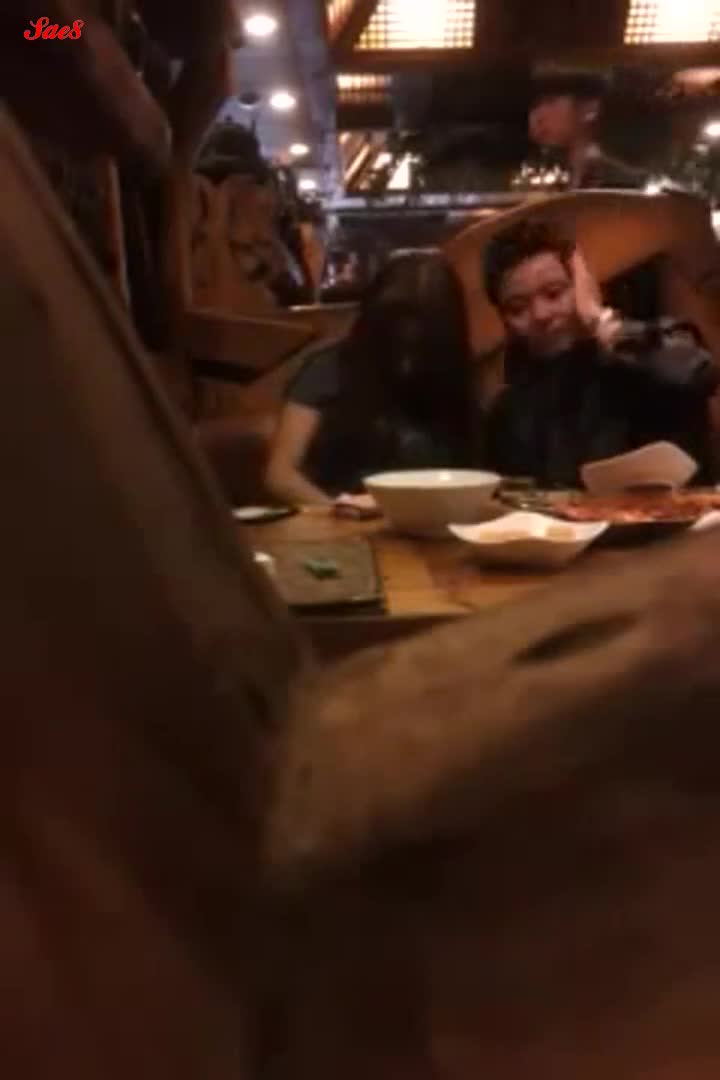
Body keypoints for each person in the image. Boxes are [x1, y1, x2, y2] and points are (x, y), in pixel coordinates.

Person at [482, 218, 719, 488]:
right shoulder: (507, 413)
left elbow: (699, 372)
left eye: (554, 293)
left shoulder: (643, 352)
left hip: (676, 513)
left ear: (583, 287)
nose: (540, 314)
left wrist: (598, 319)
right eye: (517, 308)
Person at [265, 250, 480, 506]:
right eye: (397, 335)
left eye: (422, 341)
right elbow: (281, 476)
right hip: (342, 515)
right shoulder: (329, 367)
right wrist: (341, 511)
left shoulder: (453, 370)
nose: (407, 356)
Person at [528, 72, 646, 191]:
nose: (537, 117)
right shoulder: (549, 173)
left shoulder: (619, 179)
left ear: (589, 106)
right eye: (535, 106)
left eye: (550, 102)